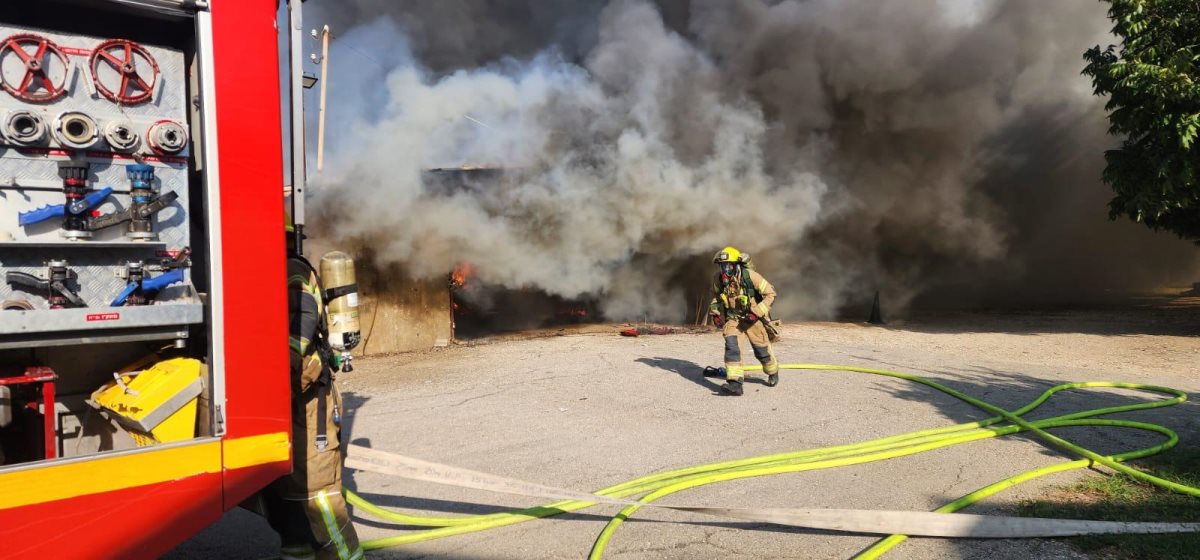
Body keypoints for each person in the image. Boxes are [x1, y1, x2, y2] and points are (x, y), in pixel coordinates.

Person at [260, 225, 363, 560]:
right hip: (290, 398)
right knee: (286, 492)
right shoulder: (271, 271)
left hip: (307, 399)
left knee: (318, 491)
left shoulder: (293, 271)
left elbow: (301, 325)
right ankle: (297, 551)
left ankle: (346, 556)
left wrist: (281, 375)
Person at [707, 246, 779, 396]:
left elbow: (771, 294)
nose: (725, 270)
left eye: (729, 266)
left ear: (736, 265)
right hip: (734, 319)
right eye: (722, 266)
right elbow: (715, 296)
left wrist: (756, 313)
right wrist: (715, 314)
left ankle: (772, 372)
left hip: (753, 319)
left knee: (762, 351)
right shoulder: (718, 279)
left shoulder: (750, 276)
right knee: (732, 346)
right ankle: (735, 384)